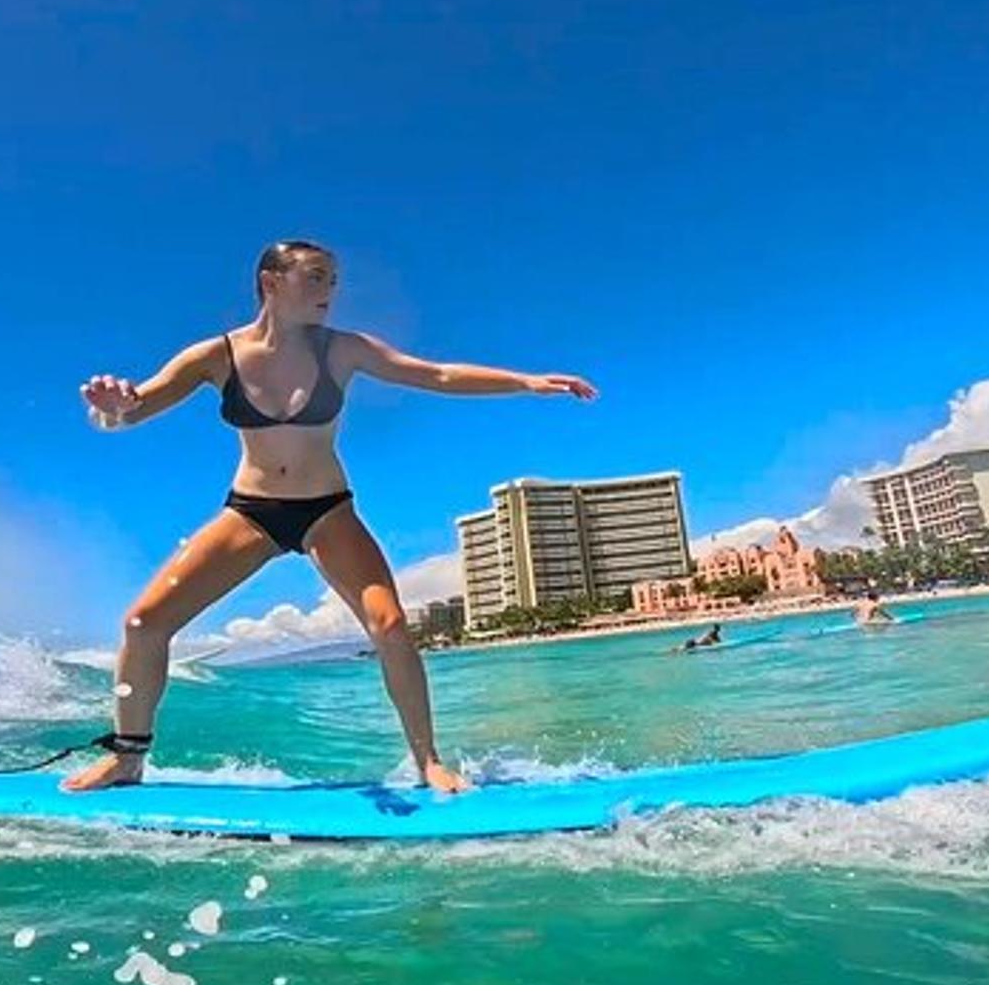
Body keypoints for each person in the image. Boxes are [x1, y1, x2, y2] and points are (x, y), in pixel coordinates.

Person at [69, 239, 597, 793]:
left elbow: (436, 375)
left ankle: (428, 762)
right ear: (271, 282)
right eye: (316, 277)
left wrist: (526, 382)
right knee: (143, 623)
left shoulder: (343, 350)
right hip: (251, 512)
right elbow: (130, 412)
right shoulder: (214, 356)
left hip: (327, 511)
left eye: (334, 280)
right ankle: (127, 758)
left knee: (390, 625)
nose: (330, 291)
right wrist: (110, 409)